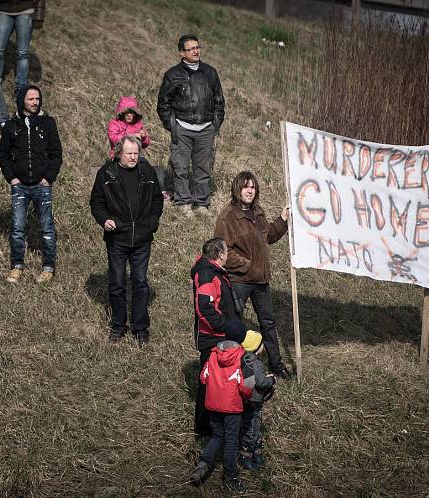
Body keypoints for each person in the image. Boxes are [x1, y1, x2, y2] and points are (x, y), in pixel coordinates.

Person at [214, 171, 292, 379]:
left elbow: (269, 236)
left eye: (253, 187)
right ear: (237, 189)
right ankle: (237, 366)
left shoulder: (258, 212)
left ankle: (276, 364)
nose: (249, 190)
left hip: (261, 281)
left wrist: (283, 219)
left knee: (268, 323)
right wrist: (247, 265)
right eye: (245, 186)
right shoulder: (228, 216)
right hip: (239, 280)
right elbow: (221, 251)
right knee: (236, 324)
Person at [90, 136, 164, 346]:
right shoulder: (106, 174)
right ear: (119, 153)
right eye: (129, 153)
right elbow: (96, 202)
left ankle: (141, 329)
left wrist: (152, 222)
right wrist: (104, 220)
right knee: (117, 284)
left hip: (142, 239)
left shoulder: (147, 171)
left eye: (136, 153)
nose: (133, 157)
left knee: (140, 283)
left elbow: (158, 200)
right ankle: (118, 326)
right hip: (117, 238)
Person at [0, 85, 62, 284]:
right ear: (22, 101)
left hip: (42, 185)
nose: (35, 102)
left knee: (47, 228)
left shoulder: (48, 123)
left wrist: (48, 178)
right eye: (31, 99)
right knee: (17, 228)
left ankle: (48, 267)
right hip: (20, 186)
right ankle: (17, 266)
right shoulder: (11, 125)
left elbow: (56, 153)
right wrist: (12, 178)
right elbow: (3, 154)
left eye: (37, 98)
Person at [156, 33, 224, 217]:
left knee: (203, 168)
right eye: (191, 48)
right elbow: (163, 103)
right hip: (182, 129)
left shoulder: (210, 73)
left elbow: (219, 100)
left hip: (206, 129)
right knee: (180, 167)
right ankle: (183, 202)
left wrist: (215, 125)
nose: (196, 51)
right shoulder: (172, 75)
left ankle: (201, 203)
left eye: (197, 47)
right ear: (181, 53)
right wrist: (173, 125)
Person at [191, 237, 247, 436]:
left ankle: (219, 425)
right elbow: (204, 308)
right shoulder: (207, 274)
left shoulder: (213, 271)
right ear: (220, 254)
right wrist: (227, 327)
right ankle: (204, 428)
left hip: (220, 335)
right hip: (213, 338)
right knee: (207, 384)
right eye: (226, 251)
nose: (228, 254)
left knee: (219, 383)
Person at [189, 326, 251, 492]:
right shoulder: (244, 357)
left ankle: (203, 465)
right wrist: (246, 398)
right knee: (231, 441)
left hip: (213, 404)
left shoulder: (213, 354)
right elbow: (248, 385)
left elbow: (203, 378)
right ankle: (230, 476)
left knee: (217, 435)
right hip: (232, 406)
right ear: (242, 338)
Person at [238, 330, 276, 471]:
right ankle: (246, 455)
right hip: (254, 400)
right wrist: (271, 379)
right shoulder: (256, 363)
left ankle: (256, 452)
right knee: (253, 426)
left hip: (246, 399)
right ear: (256, 347)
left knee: (251, 424)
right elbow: (260, 382)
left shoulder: (243, 359)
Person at [0, 0, 45, 95]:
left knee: (22, 53)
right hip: (4, 10)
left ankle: (21, 88)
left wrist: (39, 17)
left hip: (25, 11)